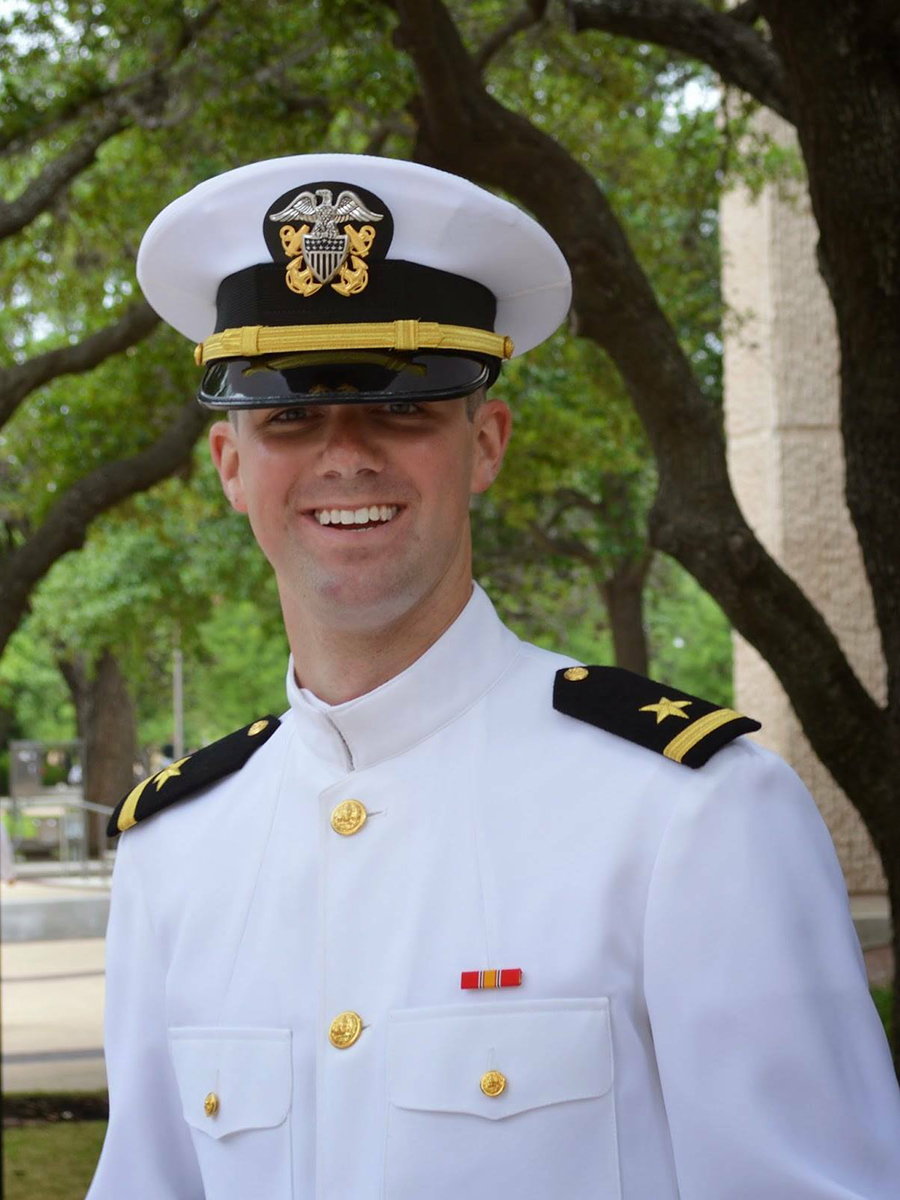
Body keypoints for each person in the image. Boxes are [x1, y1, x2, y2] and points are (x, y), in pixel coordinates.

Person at [87, 154, 900, 1200]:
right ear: (232, 467)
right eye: (288, 414)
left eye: (402, 408)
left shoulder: (692, 816)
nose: (345, 454)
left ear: (487, 443)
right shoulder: (178, 847)